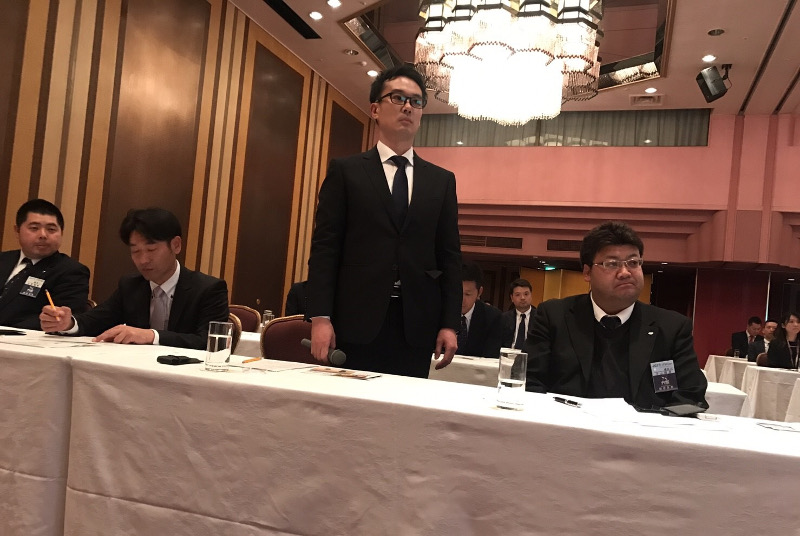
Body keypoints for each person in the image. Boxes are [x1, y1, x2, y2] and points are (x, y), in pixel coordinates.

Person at [306, 64, 462, 378]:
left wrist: (449, 324)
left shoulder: (441, 181)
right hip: (354, 320)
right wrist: (320, 318)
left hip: (416, 324)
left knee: (405, 407)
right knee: (349, 406)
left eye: (416, 101)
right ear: (375, 109)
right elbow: (325, 249)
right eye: (398, 98)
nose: (408, 107)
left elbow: (449, 256)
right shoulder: (347, 172)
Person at [526, 221, 708, 410]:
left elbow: (690, 396)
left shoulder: (671, 328)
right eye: (612, 264)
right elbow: (530, 382)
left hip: (643, 427)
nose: (625, 272)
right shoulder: (554, 317)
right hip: (567, 424)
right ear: (587, 272)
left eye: (633, 263)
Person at [40, 208, 229, 349]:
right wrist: (68, 323)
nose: (143, 260)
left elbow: (209, 342)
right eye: (135, 251)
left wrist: (151, 336)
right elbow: (96, 320)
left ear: (176, 245)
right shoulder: (131, 285)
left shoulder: (208, 288)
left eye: (151, 249)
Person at [0, 199, 89, 329]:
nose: (43, 235)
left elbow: (65, 319)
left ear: (61, 233)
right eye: (34, 228)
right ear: (17, 230)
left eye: (51, 229)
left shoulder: (72, 271)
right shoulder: (3, 259)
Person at [456, 262, 502, 358]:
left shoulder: (492, 317)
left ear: (479, 292)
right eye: (457, 293)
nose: (461, 299)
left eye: (467, 294)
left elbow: (491, 356)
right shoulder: (439, 312)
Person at [501, 278, 535, 350]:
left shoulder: (540, 318)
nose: (522, 298)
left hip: (531, 355)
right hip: (508, 354)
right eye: (518, 295)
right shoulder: (504, 318)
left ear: (531, 295)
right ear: (512, 298)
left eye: (526, 294)